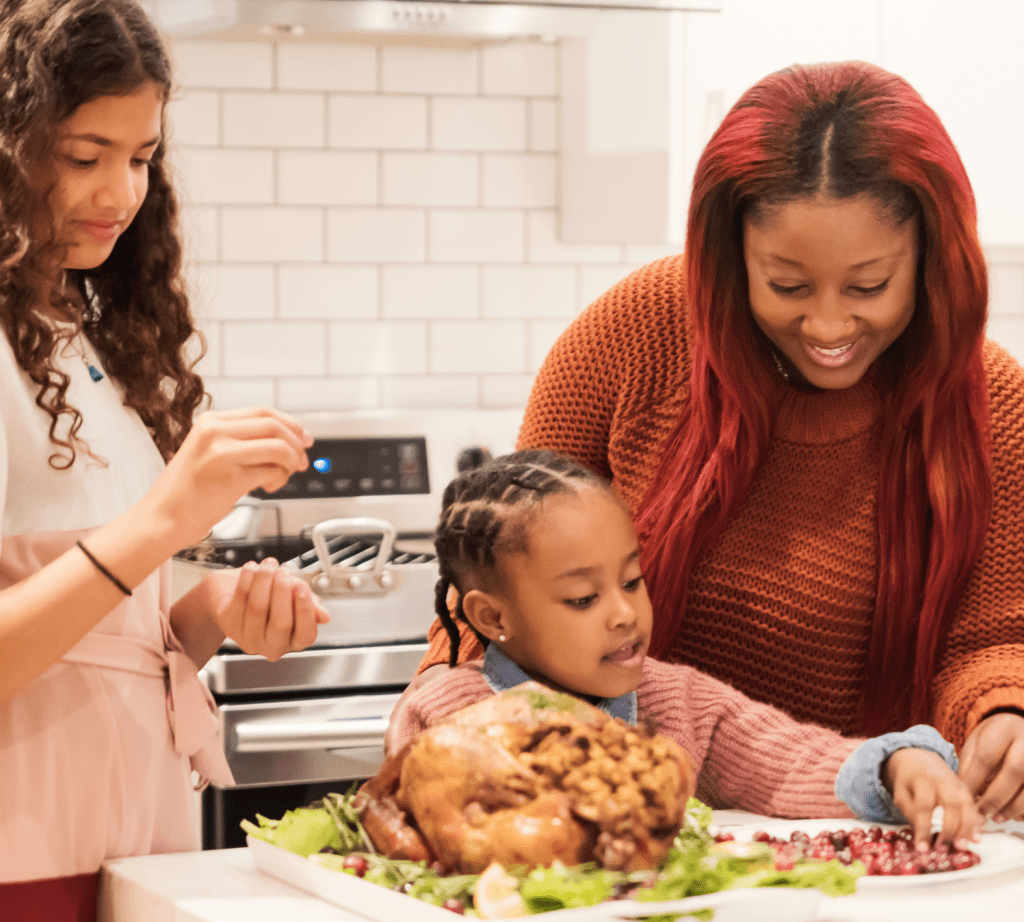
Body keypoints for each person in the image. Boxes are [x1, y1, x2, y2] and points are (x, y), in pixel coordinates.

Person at [392, 60, 1024, 826]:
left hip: (855, 826)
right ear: (731, 254)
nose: (827, 326)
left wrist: (1003, 714)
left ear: (931, 259)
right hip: (613, 824)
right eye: (787, 286)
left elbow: (993, 639)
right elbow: (508, 567)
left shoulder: (990, 400)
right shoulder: (630, 337)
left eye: (867, 287)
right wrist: (444, 701)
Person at [0, 3, 328, 922]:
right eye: (83, 154)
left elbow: (99, 628)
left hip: (136, 834)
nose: (120, 194)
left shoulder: (77, 328)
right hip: (23, 846)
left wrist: (209, 608)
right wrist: (163, 518)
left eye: (141, 156)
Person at [388, 450, 982, 858]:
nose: (623, 613)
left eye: (631, 581)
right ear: (493, 618)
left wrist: (897, 766)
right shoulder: (448, 713)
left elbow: (793, 760)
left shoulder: (679, 702)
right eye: (582, 598)